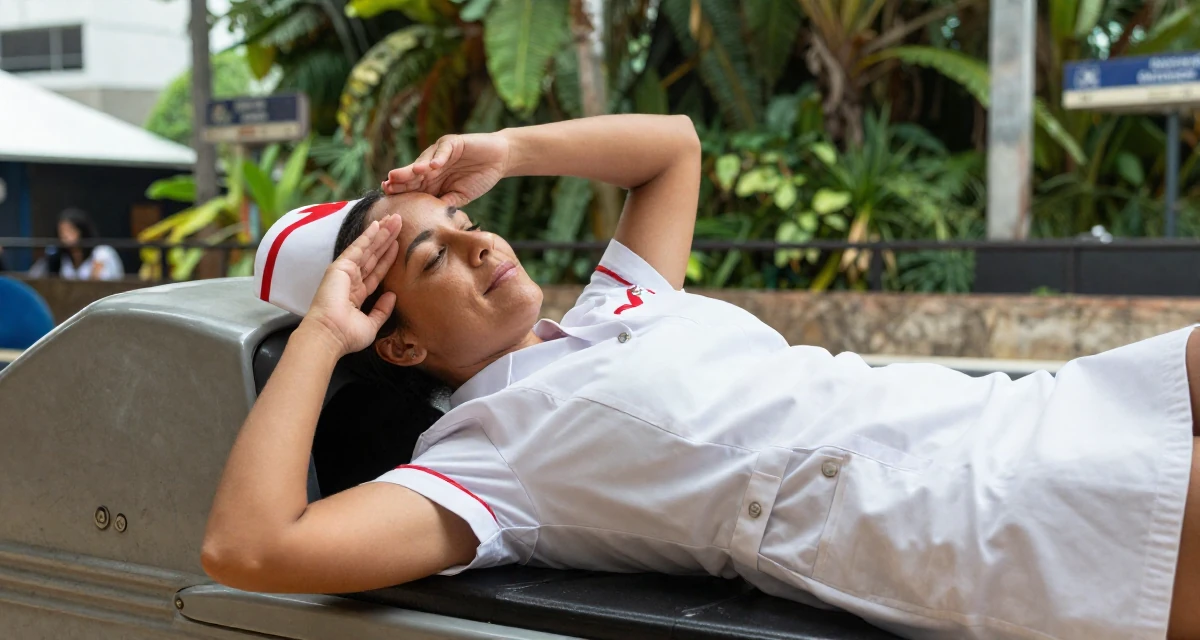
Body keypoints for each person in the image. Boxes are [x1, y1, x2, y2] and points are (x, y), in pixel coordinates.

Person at [202, 115, 1200, 640]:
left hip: (1008, 406)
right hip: (960, 511)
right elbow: (251, 547)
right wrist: (325, 332)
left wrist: (506, 150)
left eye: (461, 225)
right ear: (401, 344)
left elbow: (670, 147)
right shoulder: (477, 463)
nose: (480, 244)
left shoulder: (618, 304)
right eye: (432, 261)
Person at [28, 209, 124, 281]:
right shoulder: (59, 256)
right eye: (61, 231)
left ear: (81, 231)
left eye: (70, 230)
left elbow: (99, 283)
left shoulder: (102, 252)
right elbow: (34, 276)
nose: (65, 235)